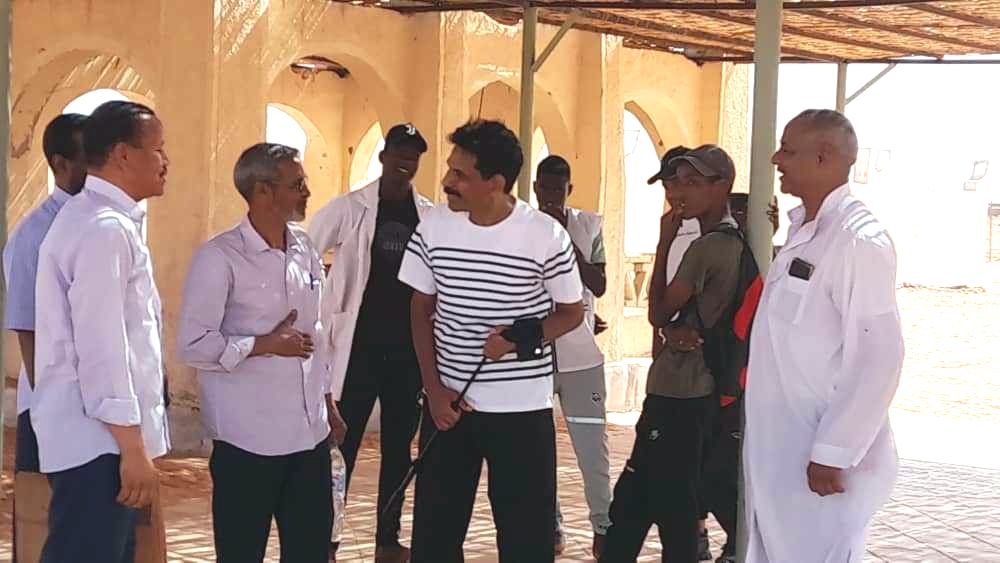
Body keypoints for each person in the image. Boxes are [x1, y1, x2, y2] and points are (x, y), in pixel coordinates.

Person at [399, 119, 585, 562]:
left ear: (495, 183)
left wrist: (520, 339)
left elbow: (571, 313)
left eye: (459, 174)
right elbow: (420, 309)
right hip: (449, 409)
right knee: (434, 541)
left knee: (526, 542)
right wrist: (434, 391)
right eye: (450, 169)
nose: (446, 181)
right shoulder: (434, 226)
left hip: (522, 411)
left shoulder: (545, 235)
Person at [744, 109, 903, 563]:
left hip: (822, 463)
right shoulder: (808, 231)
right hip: (781, 449)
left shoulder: (858, 240)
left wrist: (834, 449)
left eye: (788, 150)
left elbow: (879, 355)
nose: (776, 159)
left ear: (823, 156)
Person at [178, 143, 342, 563]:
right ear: (263, 191)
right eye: (297, 184)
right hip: (247, 441)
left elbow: (316, 333)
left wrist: (327, 403)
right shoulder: (219, 257)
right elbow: (193, 345)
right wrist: (263, 344)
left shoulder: (304, 248)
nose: (307, 191)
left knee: (310, 552)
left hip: (308, 437)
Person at [32, 101, 170, 563]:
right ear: (122, 155)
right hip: (99, 444)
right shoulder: (103, 229)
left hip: (103, 442)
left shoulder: (105, 221)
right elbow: (102, 347)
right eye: (157, 149)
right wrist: (131, 447)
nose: (166, 161)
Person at [601, 145, 746, 563]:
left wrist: (663, 242)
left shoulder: (708, 246)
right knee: (644, 501)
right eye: (677, 182)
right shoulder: (729, 239)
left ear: (722, 187)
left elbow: (658, 311)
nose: (680, 192)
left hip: (683, 393)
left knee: (665, 506)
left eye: (692, 183)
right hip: (681, 390)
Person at [307, 123, 432, 562]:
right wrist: (319, 300)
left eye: (413, 156)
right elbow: (306, 248)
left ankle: (387, 539)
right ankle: (327, 539)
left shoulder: (428, 215)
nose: (405, 162)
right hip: (357, 349)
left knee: (399, 450)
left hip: (407, 354)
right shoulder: (351, 207)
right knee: (342, 447)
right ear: (384, 156)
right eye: (399, 153)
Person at [3, 113, 88, 561]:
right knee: (43, 530)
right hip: (49, 412)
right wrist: (53, 409)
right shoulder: (34, 235)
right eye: (89, 156)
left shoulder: (102, 223)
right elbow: (28, 328)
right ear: (61, 164)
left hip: (96, 411)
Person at [533, 155, 612, 558]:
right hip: (534, 359)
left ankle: (603, 526)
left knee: (592, 449)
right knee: (538, 450)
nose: (550, 197)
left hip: (582, 360)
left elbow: (599, 284)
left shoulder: (588, 226)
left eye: (558, 190)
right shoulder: (523, 228)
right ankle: (551, 524)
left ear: (569, 190)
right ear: (535, 189)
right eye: (544, 189)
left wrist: (568, 243)